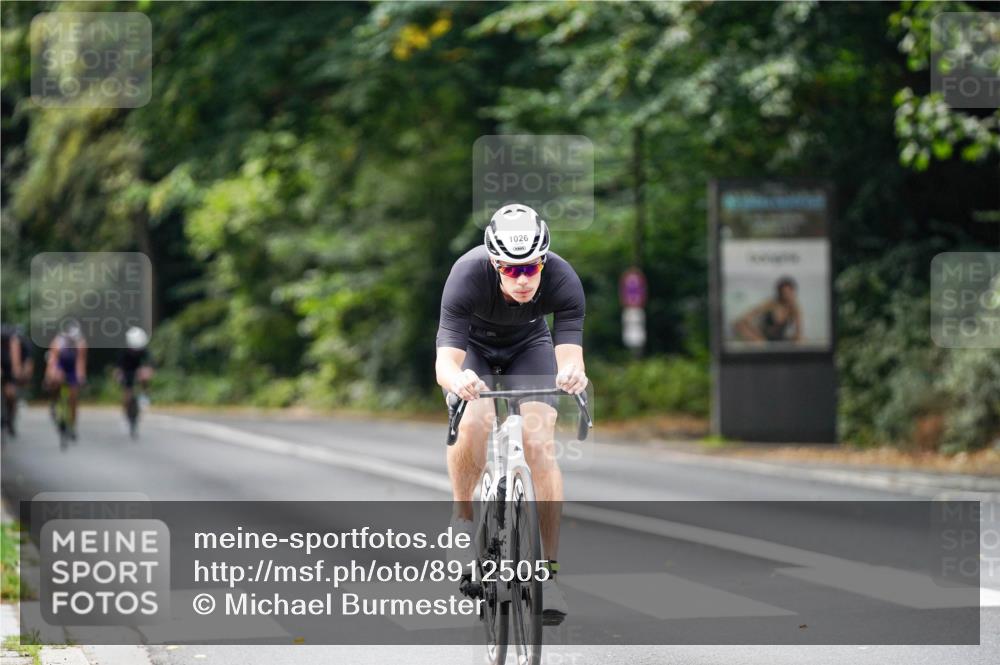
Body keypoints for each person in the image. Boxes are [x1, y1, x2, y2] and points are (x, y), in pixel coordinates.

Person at [435, 203, 588, 626]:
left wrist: (573, 372)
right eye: (511, 269)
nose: (523, 278)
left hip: (529, 347)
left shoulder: (562, 277)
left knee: (540, 445)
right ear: (494, 263)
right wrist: (457, 381)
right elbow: (445, 361)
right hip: (475, 351)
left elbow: (570, 353)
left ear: (544, 260)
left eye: (531, 267)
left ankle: (547, 574)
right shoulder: (467, 274)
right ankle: (464, 518)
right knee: (475, 421)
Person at [45, 321, 87, 440]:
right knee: (55, 380)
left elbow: (80, 362)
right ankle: (54, 402)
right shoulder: (58, 342)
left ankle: (72, 426)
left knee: (73, 397)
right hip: (60, 366)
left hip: (72, 368)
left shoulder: (81, 343)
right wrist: (51, 374)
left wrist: (81, 377)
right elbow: (52, 361)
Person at [733, 275, 802, 344]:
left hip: (779, 339)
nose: (787, 295)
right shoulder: (770, 304)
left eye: (789, 292)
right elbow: (744, 320)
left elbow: (798, 332)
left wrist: (796, 340)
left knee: (802, 341)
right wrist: (755, 336)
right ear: (780, 292)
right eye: (784, 292)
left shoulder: (794, 308)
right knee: (740, 325)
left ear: (793, 292)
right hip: (763, 338)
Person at [116, 326, 154, 427]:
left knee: (144, 375)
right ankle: (125, 413)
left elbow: (150, 363)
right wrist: (119, 375)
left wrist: (148, 371)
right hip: (127, 371)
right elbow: (119, 368)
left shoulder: (144, 350)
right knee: (127, 393)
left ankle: (144, 397)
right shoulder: (124, 351)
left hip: (139, 370)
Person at [1, 324, 23, 437]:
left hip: (9, 371)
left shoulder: (14, 342)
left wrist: (16, 371)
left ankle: (10, 420)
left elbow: (16, 361)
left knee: (11, 395)